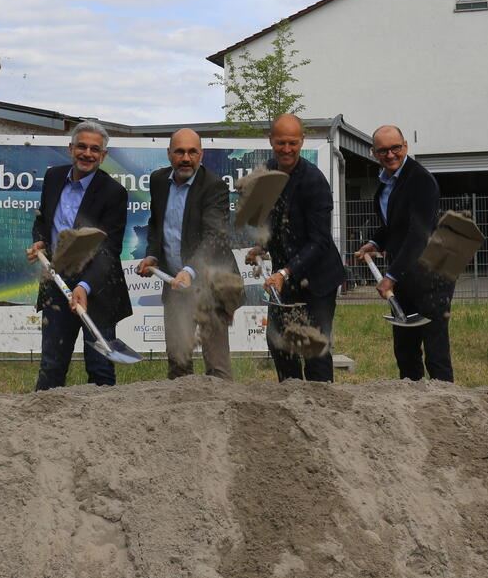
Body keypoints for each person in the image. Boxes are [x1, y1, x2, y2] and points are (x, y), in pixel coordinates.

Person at [28, 120, 131, 389]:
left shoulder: (114, 193)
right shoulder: (53, 178)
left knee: (99, 368)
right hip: (56, 284)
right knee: (51, 364)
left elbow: (110, 250)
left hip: (95, 288)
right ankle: (44, 425)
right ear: (70, 148)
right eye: (81, 147)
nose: (87, 153)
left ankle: (103, 427)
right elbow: (42, 219)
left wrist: (85, 286)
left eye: (94, 149)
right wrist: (40, 242)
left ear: (103, 155)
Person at [246, 113, 345, 382]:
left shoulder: (314, 182)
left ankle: (320, 408)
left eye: (292, 143)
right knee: (279, 342)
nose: (286, 149)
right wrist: (261, 246)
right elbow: (272, 220)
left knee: (313, 348)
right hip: (285, 278)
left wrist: (284, 272)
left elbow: (319, 241)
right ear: (271, 141)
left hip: (318, 279)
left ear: (301, 141)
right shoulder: (267, 172)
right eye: (280, 143)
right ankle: (289, 396)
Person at [136, 128, 237, 380]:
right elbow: (157, 224)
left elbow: (214, 238)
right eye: (179, 151)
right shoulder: (159, 181)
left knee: (217, 368)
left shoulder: (214, 187)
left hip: (211, 286)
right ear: (169, 154)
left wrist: (190, 271)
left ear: (201, 154)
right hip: (175, 285)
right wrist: (152, 255)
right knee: (178, 364)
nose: (186, 158)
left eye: (192, 152)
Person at [355, 125, 454, 382]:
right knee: (405, 349)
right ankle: (412, 407)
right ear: (374, 153)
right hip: (405, 278)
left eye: (395, 148)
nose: (390, 155)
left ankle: (446, 405)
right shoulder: (386, 184)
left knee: (435, 349)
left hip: (432, 276)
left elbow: (418, 234)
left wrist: (390, 276)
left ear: (406, 147)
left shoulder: (420, 180)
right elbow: (395, 226)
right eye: (383, 150)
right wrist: (375, 242)